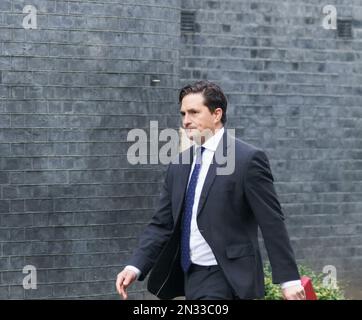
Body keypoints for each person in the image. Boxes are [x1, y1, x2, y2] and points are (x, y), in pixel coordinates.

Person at [116, 81, 306, 300]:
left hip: (228, 276)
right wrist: (135, 266)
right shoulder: (179, 164)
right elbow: (162, 224)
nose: (186, 121)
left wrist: (289, 280)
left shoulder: (247, 159)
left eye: (194, 112)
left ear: (217, 114)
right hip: (190, 275)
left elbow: (272, 221)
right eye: (183, 113)